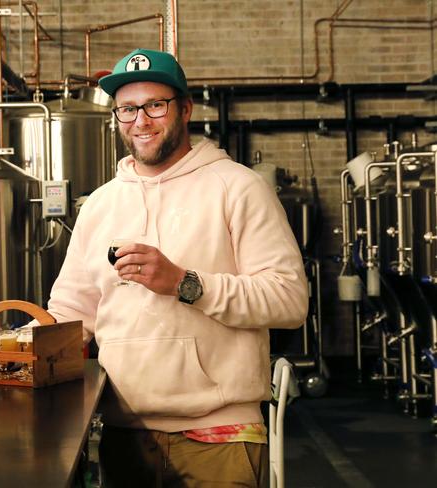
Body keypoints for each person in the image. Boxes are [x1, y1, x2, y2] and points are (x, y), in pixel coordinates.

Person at [45, 48, 308, 487]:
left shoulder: (238, 189)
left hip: (220, 437)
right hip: (124, 432)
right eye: (127, 109)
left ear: (185, 109)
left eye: (154, 105)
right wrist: (21, 351)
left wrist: (185, 284)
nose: (140, 121)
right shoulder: (102, 204)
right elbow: (73, 310)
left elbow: (288, 300)